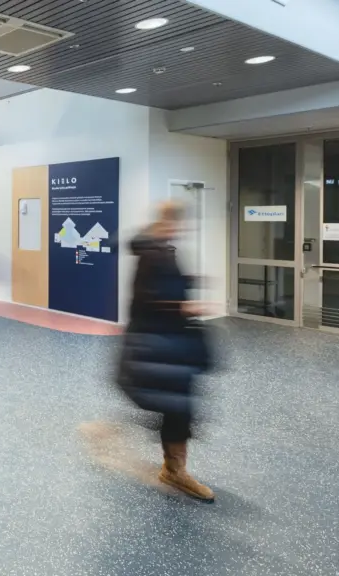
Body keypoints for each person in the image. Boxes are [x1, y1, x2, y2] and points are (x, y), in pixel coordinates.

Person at [116, 200, 215, 501]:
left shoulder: (160, 249)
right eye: (178, 224)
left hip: (164, 343)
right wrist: (184, 307)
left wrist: (190, 282)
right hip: (156, 343)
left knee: (177, 406)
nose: (181, 230)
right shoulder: (152, 254)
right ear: (169, 223)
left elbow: (160, 288)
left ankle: (174, 465)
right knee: (177, 407)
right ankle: (175, 470)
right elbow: (146, 299)